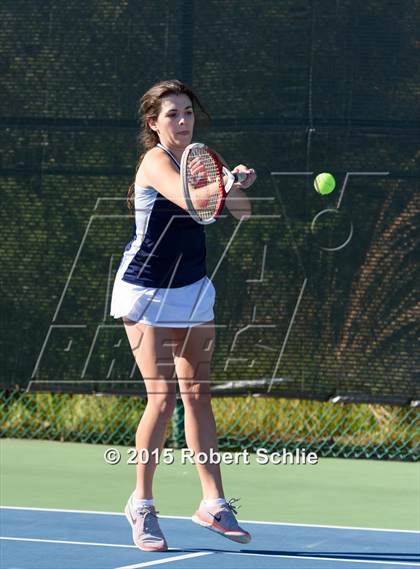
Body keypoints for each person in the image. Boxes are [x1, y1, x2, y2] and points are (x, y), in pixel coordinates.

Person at [110, 79, 257, 552]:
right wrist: (221, 182)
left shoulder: (201, 161)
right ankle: (142, 504)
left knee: (197, 394)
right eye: (171, 114)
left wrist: (233, 183)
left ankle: (212, 502)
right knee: (162, 396)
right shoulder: (155, 162)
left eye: (188, 112)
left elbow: (242, 211)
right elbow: (192, 199)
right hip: (146, 292)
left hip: (191, 288)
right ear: (153, 124)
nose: (182, 120)